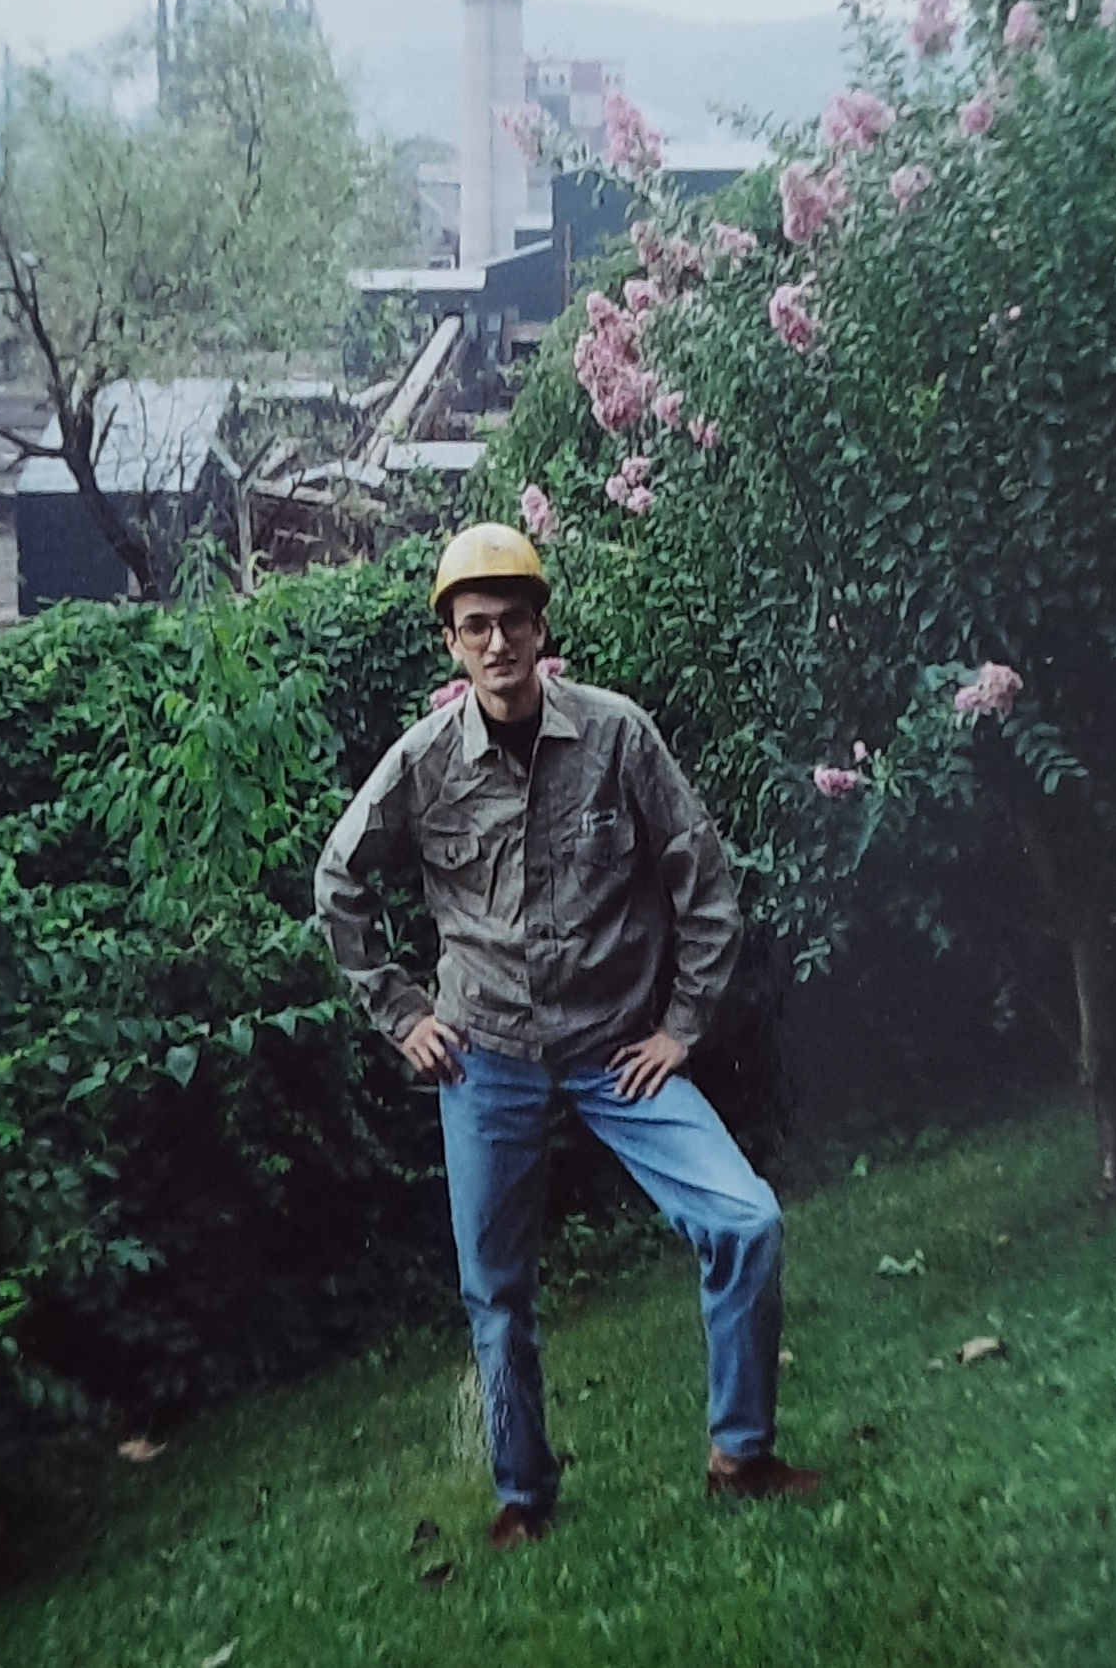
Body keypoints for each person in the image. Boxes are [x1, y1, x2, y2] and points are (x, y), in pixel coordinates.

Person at [314, 524, 820, 1547]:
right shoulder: (422, 763)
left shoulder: (617, 736)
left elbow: (704, 883)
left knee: (747, 1221)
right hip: (485, 1053)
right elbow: (339, 881)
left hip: (613, 1051)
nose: (497, 643)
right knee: (495, 1292)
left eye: (513, 621)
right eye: (475, 627)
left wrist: (680, 1027)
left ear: (542, 629)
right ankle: (523, 1495)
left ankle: (740, 1454)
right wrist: (402, 1013)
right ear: (452, 643)